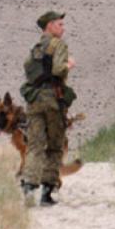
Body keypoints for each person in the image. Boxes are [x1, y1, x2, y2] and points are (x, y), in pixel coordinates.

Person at [20, 11, 76, 207]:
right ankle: (47, 191)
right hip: (52, 100)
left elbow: (28, 69)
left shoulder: (36, 48)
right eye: (59, 24)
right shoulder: (58, 45)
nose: (63, 28)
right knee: (54, 146)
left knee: (35, 145)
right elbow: (58, 70)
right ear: (50, 26)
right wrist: (69, 65)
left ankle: (28, 185)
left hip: (34, 101)